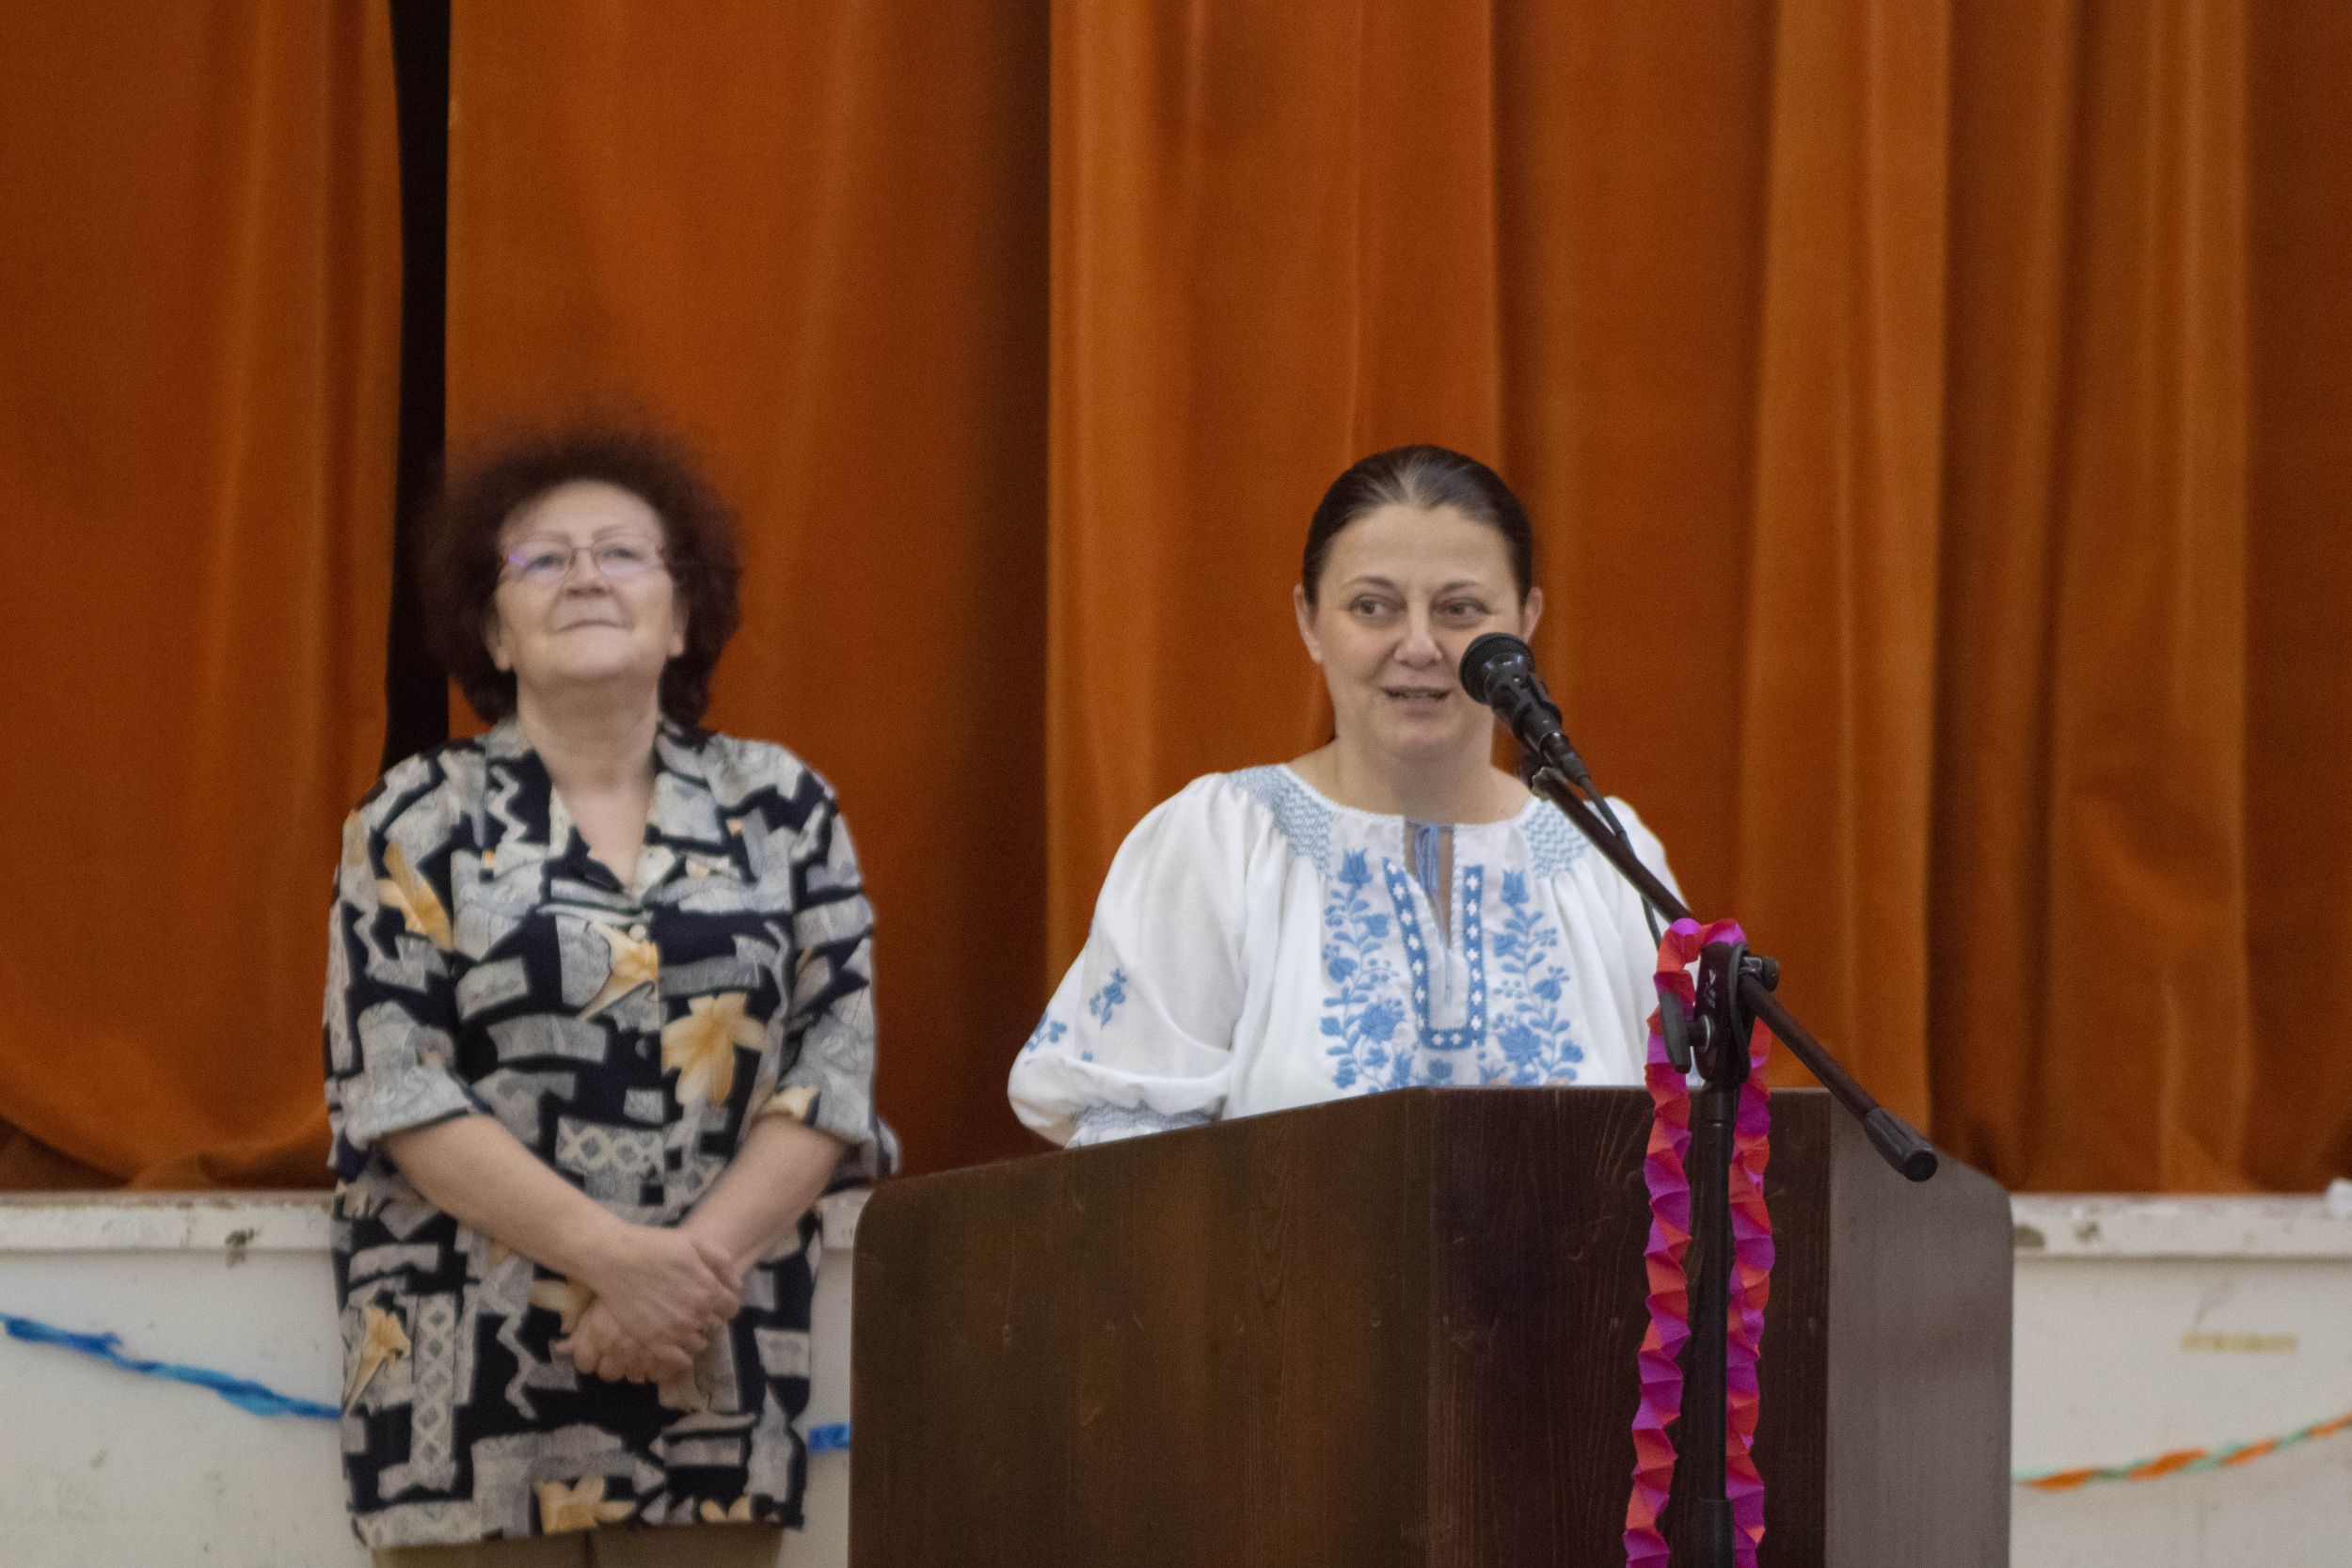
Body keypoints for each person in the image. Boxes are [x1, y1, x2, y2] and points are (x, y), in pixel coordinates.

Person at [324, 425, 894, 1564]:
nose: (584, 574)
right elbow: (397, 1091)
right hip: (466, 1386)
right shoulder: (413, 817)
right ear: (494, 629)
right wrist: (622, 1265)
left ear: (681, 617)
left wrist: (680, 1279)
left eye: (622, 552)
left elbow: (830, 1076)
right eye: (542, 558)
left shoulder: (783, 805)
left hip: (710, 1360)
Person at [1009, 443, 1678, 1147]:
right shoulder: (1222, 845)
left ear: (1524, 621)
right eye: (1372, 607)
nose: (1418, 646)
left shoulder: (1609, 860)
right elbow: (1130, 1152)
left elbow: (1686, 1143)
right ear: (1310, 620)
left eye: (1460, 609)